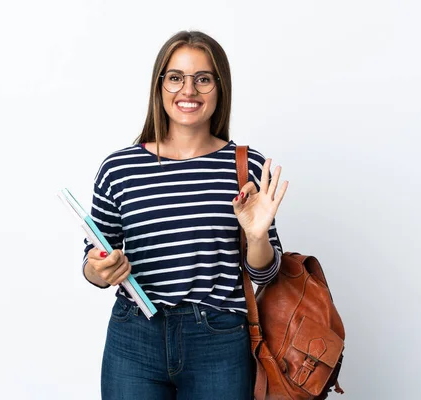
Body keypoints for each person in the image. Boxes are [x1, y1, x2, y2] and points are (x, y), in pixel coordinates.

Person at [82, 30, 289, 400]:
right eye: (176, 77)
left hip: (219, 340)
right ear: (159, 86)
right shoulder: (119, 168)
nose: (188, 91)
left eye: (203, 79)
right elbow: (94, 258)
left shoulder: (245, 166)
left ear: (220, 88)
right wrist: (98, 269)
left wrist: (257, 235)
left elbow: (265, 273)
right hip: (134, 337)